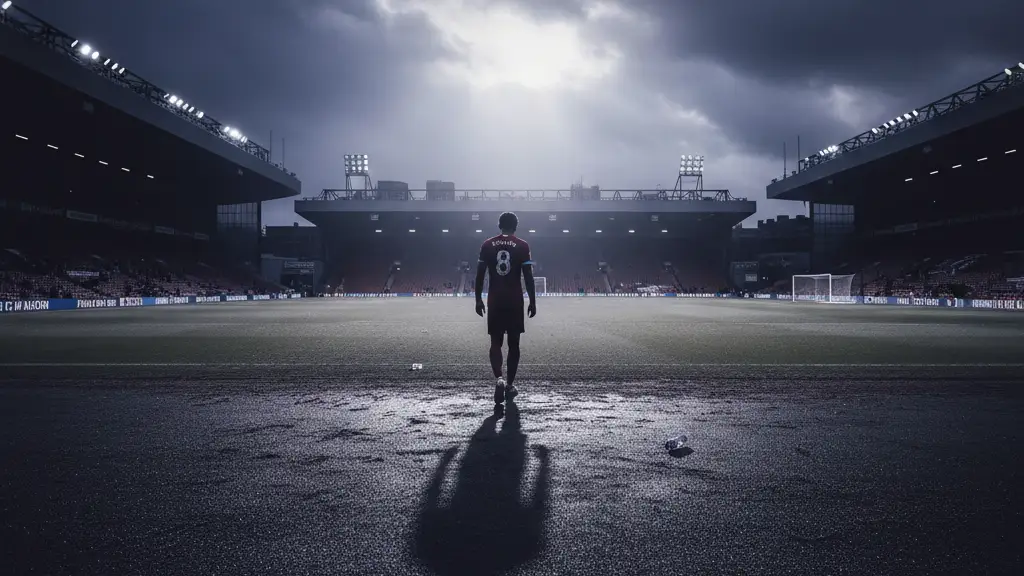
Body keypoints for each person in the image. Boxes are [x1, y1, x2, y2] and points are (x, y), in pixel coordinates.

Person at [476, 212, 536, 406]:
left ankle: (499, 379)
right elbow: (528, 276)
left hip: (494, 299)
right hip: (514, 300)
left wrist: (478, 299)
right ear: (515, 226)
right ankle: (510, 385)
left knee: (495, 341)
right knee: (514, 344)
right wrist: (533, 301)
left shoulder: (487, 245)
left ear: (499, 225)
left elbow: (479, 275)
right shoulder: (523, 245)